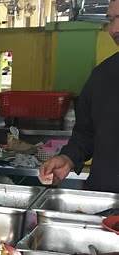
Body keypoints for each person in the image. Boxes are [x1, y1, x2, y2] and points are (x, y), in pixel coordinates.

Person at [39, 1, 119, 193]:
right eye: (110, 19)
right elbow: (86, 133)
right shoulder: (102, 75)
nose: (114, 29)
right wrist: (68, 158)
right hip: (103, 203)